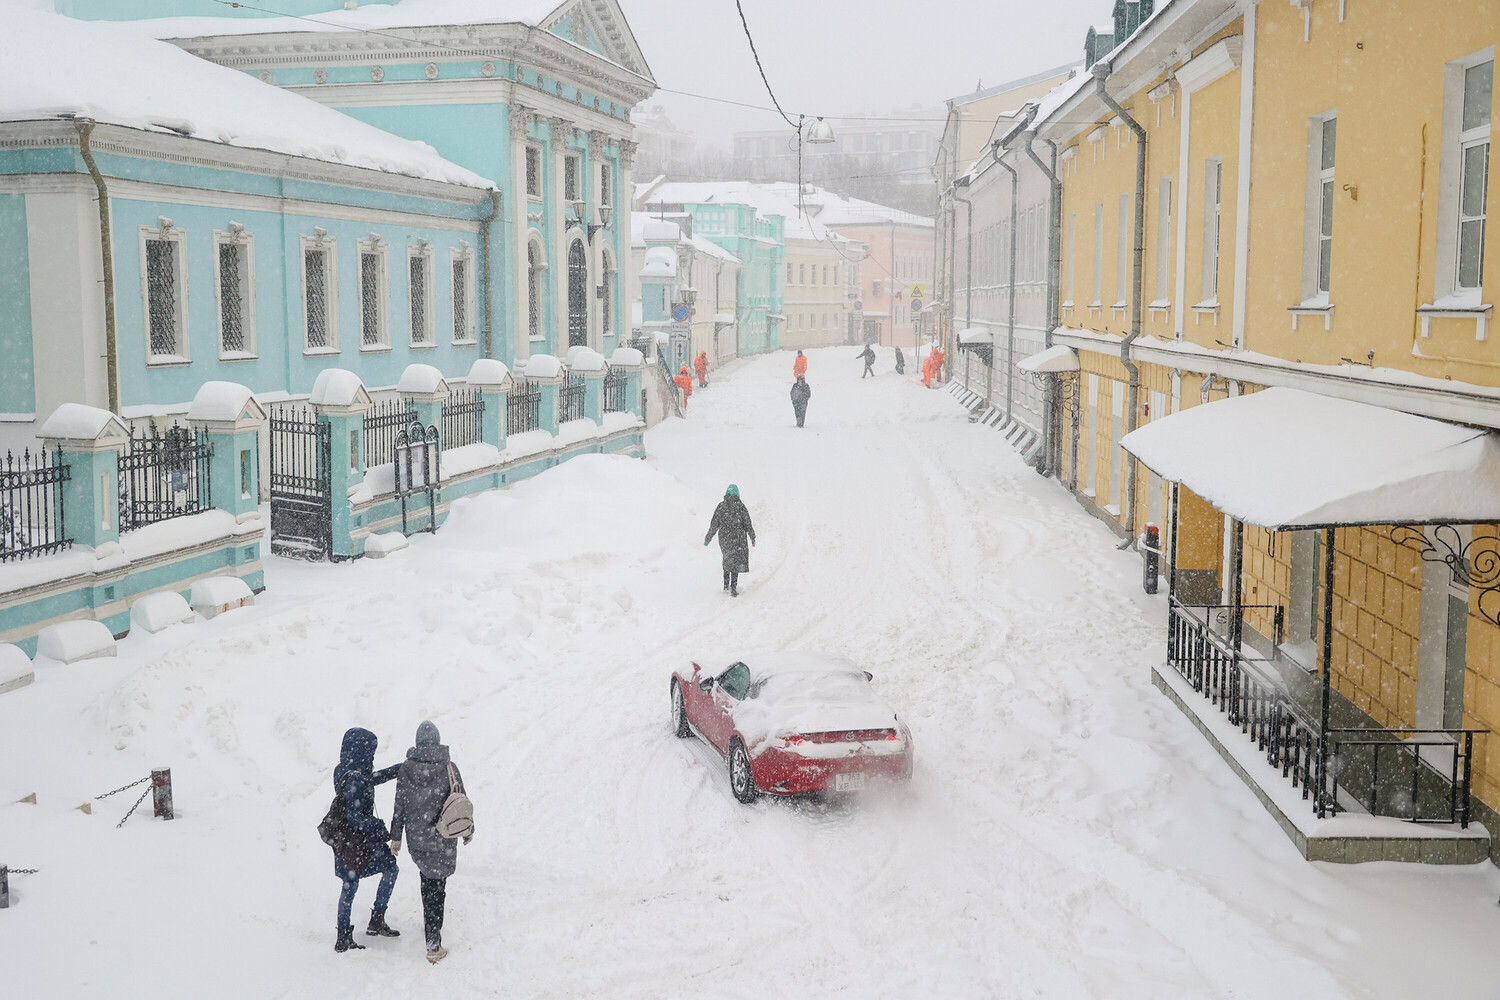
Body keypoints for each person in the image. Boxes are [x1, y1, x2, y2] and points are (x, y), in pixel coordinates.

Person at [391, 721, 473, 965]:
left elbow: (399, 804)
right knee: (438, 885)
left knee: (427, 880)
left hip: (417, 838)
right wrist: (468, 829)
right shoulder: (449, 767)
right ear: (437, 740)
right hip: (442, 836)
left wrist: (396, 836)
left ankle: (431, 925)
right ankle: (433, 943)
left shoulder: (406, 768)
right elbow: (460, 800)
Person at [331, 728, 402, 953]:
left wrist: (399, 769)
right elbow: (355, 817)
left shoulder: (345, 770)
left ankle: (345, 933)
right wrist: (378, 827)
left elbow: (371, 779)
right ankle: (370, 923)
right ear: (362, 750)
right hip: (359, 841)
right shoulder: (355, 777)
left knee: (350, 883)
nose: (372, 755)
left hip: (347, 840)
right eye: (370, 750)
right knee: (389, 870)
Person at [703, 483, 755, 597]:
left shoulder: (721, 506)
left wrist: (708, 538)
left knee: (727, 559)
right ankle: (733, 587)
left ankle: (726, 585)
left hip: (725, 539)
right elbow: (747, 523)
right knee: (736, 562)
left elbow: (714, 524)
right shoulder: (741, 507)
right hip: (738, 539)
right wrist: (753, 537)